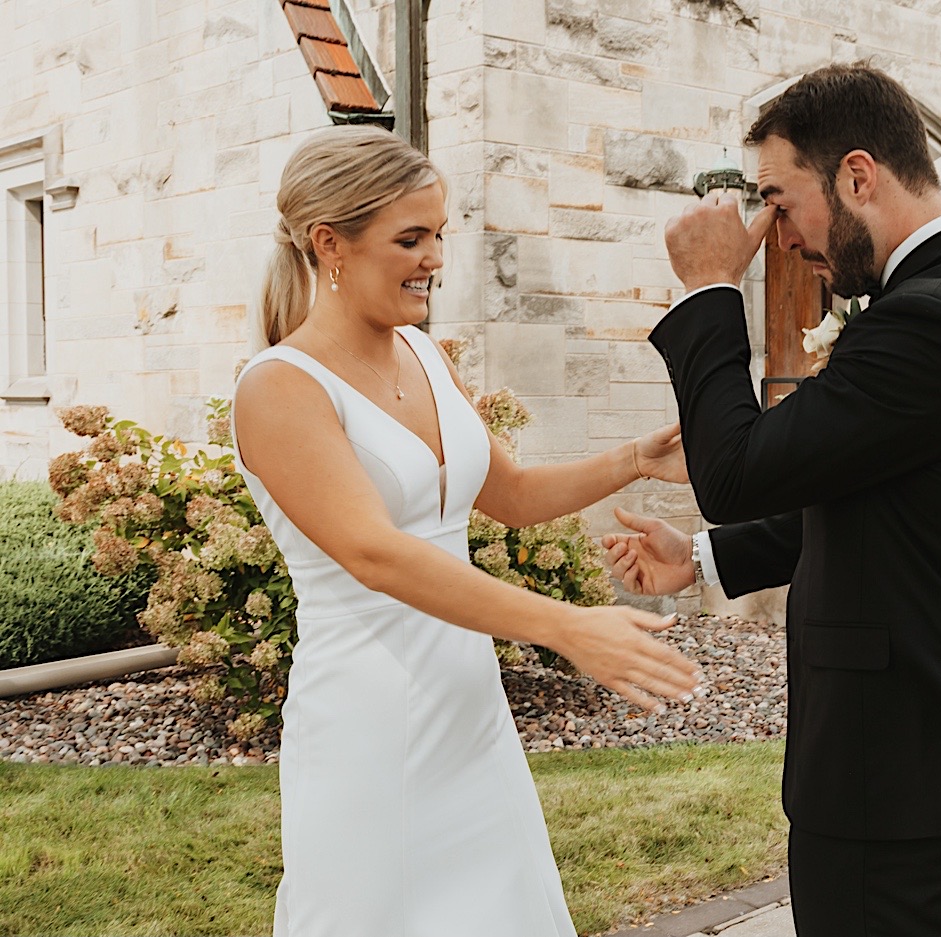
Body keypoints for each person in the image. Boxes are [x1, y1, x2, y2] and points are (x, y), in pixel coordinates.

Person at [602, 64, 941, 936]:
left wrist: (707, 290)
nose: (776, 234)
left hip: (889, 775)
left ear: (858, 175)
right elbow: (878, 503)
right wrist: (701, 556)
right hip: (934, 761)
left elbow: (737, 469)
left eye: (779, 200)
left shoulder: (933, 317)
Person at [233, 125, 702, 937]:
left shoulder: (423, 354)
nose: (436, 259)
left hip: (468, 706)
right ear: (329, 243)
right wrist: (565, 627)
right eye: (410, 238)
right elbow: (374, 552)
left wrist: (634, 456)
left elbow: (510, 493)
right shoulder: (279, 387)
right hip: (368, 717)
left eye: (439, 235)